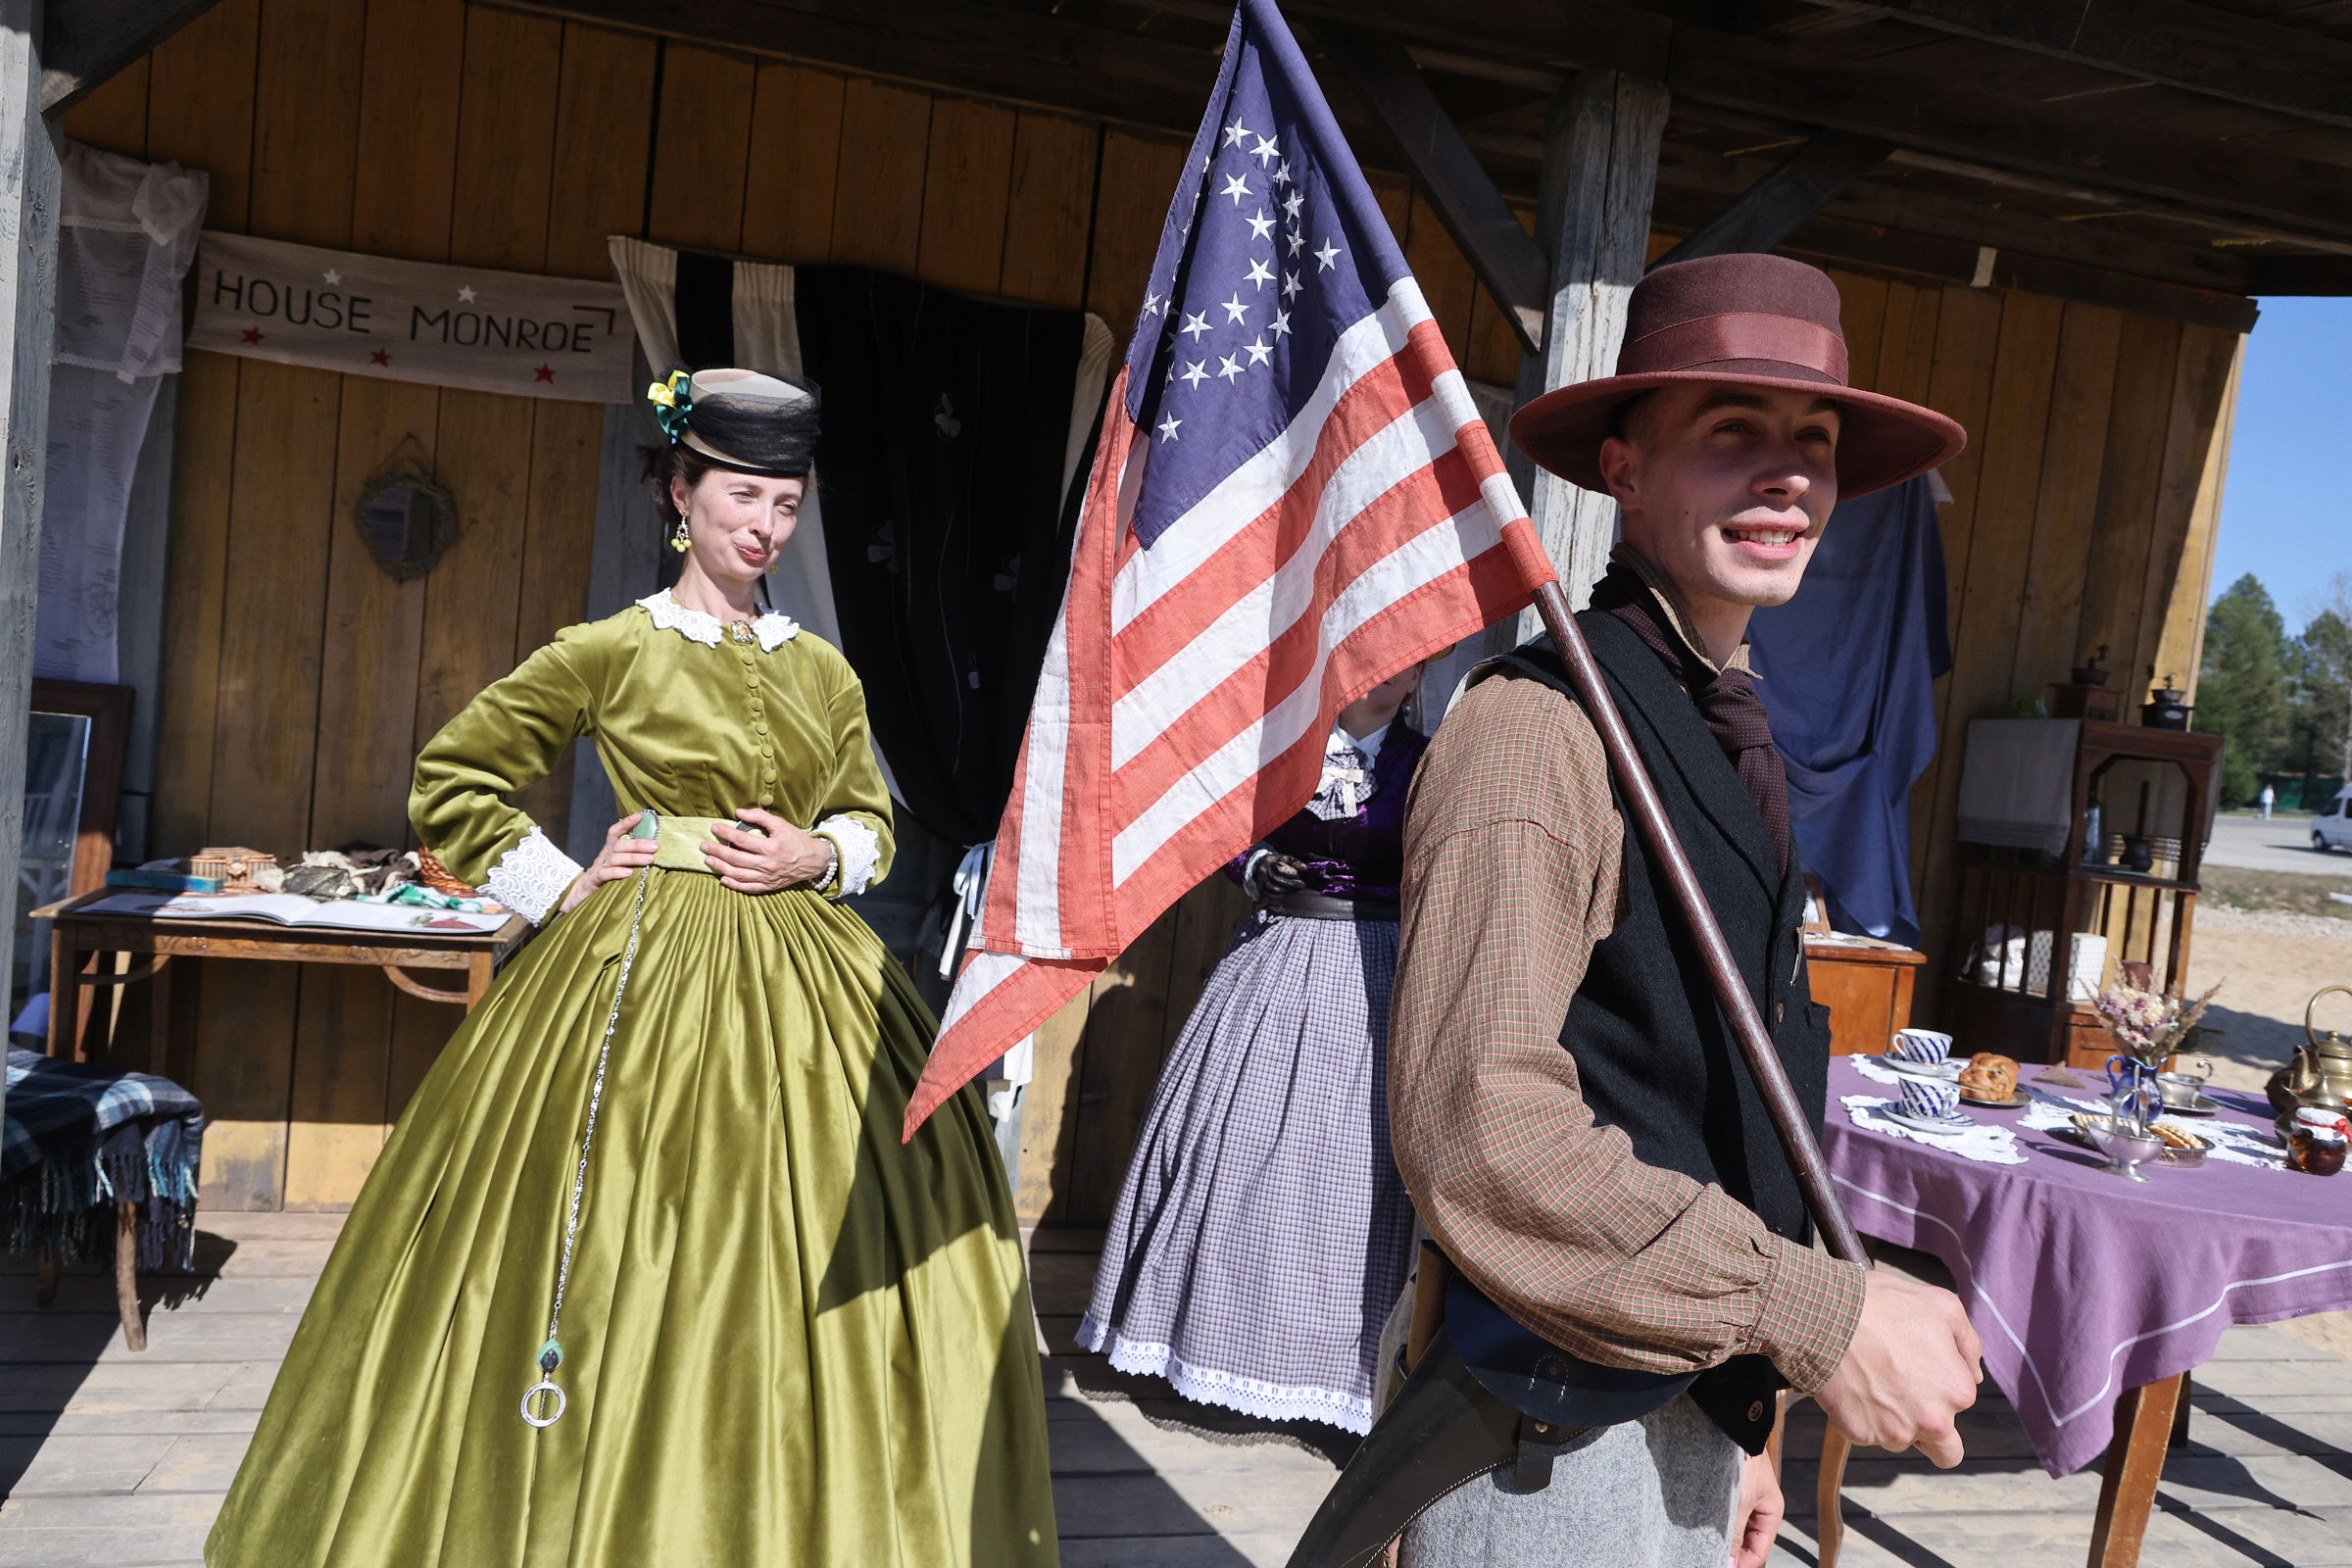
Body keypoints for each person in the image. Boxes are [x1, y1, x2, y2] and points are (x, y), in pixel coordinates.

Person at [207, 369, 1057, 1567]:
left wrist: (822, 849)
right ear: (682, 491)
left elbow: (874, 821)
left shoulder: (826, 670)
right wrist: (559, 885)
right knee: (620, 1228)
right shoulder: (610, 650)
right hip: (639, 969)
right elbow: (450, 784)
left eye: (788, 503)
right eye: (745, 495)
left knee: (831, 1221)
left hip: (811, 977)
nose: (766, 525)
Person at [1291, 254, 1985, 1568]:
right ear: (1622, 468)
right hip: (1549, 1438)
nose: (1787, 477)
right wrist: (1815, 1313)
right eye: (1733, 436)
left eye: (1814, 443)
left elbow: (1725, 1099)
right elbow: (1484, 1132)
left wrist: (1749, 1427)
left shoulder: (1726, 728)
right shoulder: (1536, 733)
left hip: (1694, 1401)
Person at [1077, 662, 1429, 1434]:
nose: (1383, 675)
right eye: (1368, 655)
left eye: (1403, 664)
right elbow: (1228, 824)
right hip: (1275, 964)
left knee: (1349, 1173)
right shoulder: (1284, 749)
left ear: (1420, 676)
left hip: (1376, 975)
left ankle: (1328, 1375)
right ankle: (1215, 1345)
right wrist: (1255, 864)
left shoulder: (1428, 762)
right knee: (1241, 1151)